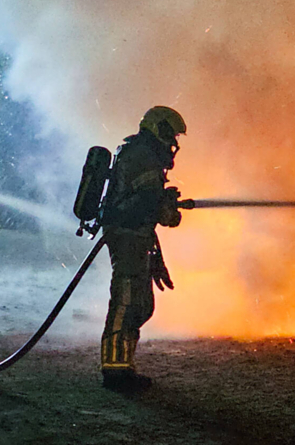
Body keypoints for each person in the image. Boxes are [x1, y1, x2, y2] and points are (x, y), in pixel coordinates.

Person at [99, 106, 186, 391]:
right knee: (126, 302)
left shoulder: (144, 154)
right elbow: (151, 206)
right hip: (126, 235)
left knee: (141, 305)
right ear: (158, 129)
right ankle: (115, 371)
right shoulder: (142, 156)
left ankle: (124, 365)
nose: (173, 141)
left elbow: (149, 208)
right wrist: (166, 205)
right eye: (170, 133)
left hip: (136, 235)